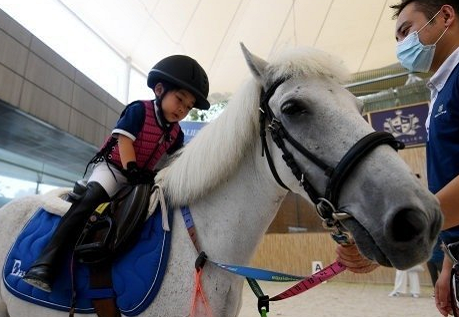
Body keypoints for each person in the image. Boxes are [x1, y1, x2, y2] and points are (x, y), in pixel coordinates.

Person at [22, 55, 210, 292]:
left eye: (189, 106)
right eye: (179, 99)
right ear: (160, 90)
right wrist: (131, 169)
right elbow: (124, 140)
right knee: (89, 201)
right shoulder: (139, 110)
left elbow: (176, 159)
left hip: (141, 180)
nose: (182, 109)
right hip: (114, 170)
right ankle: (44, 263)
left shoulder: (176, 133)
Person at [390, 0, 459, 315]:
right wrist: (450, 264)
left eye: (406, 31)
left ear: (445, 16)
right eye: (398, 39)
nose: (403, 45)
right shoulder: (441, 89)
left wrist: (406, 228)